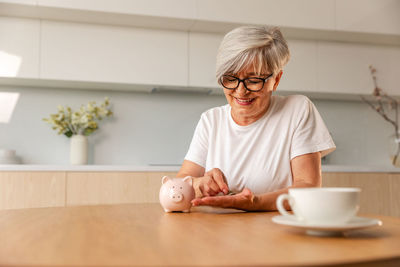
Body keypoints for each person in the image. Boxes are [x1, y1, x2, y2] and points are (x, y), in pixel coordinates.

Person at [177, 25, 336, 211]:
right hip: (215, 232)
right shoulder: (211, 120)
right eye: (230, 78)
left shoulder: (297, 110)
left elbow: (308, 188)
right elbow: (180, 181)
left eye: (253, 80)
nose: (240, 90)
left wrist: (254, 202)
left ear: (276, 80)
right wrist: (198, 184)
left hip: (276, 231)